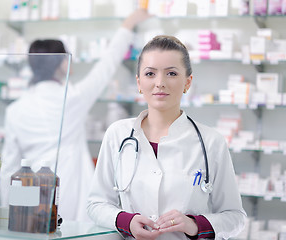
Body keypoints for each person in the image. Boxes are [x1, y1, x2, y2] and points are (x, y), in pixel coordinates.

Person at [87, 35, 247, 240]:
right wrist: (125, 221)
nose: (159, 83)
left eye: (171, 73)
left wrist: (194, 225)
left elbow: (235, 217)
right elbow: (96, 204)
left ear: (188, 82)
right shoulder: (118, 134)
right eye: (150, 73)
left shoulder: (211, 142)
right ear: (139, 82)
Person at [0, 9, 151, 222]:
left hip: (27, 194)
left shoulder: (15, 109)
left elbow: (9, 168)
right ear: (62, 63)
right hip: (67, 189)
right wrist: (127, 25)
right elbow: (106, 65)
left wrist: (6, 214)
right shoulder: (72, 98)